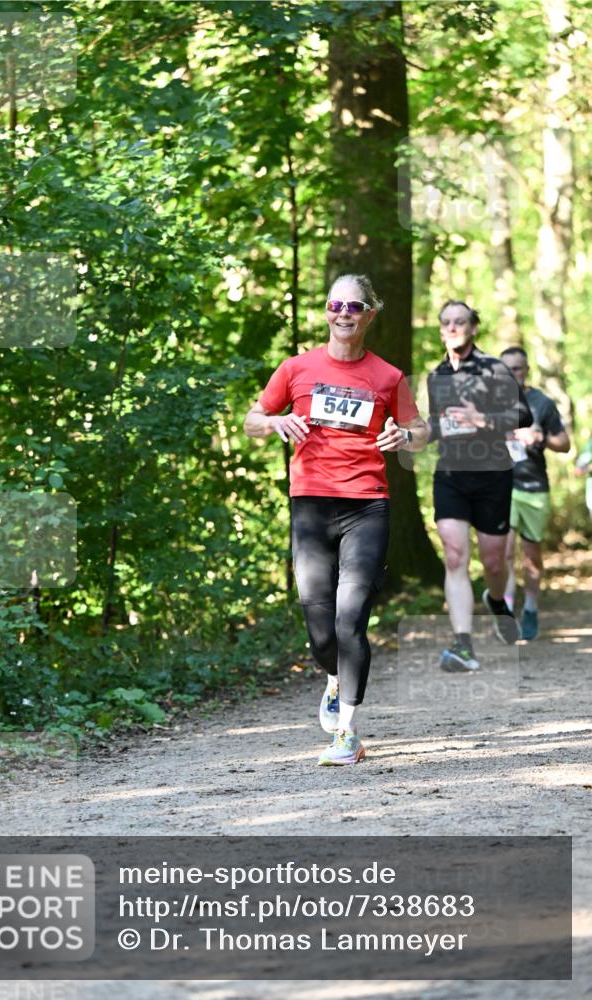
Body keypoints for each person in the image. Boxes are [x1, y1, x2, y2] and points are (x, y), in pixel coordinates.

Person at [244, 274, 428, 765]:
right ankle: (333, 677)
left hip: (367, 505)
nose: (344, 312)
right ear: (327, 312)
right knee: (320, 630)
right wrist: (274, 421)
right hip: (310, 506)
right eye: (335, 304)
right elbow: (252, 420)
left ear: (370, 314)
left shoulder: (387, 377)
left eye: (355, 305)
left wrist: (405, 439)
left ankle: (347, 731)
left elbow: (420, 428)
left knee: (350, 620)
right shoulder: (295, 368)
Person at [426, 301, 532, 672]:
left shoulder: (493, 368)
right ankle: (463, 645)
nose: (453, 327)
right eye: (447, 322)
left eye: (460, 321)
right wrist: (412, 434)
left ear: (473, 327)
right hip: (451, 475)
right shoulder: (436, 374)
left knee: (492, 561)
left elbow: (523, 414)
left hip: (492, 476)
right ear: (441, 329)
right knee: (454, 554)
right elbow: (437, 426)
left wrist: (481, 417)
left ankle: (496, 599)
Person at [500, 347, 570, 640]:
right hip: (501, 486)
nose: (511, 375)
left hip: (534, 487)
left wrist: (540, 437)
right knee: (503, 551)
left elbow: (564, 443)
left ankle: (530, 608)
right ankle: (506, 612)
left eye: (516, 369)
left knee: (531, 558)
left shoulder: (541, 402)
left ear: (526, 370)